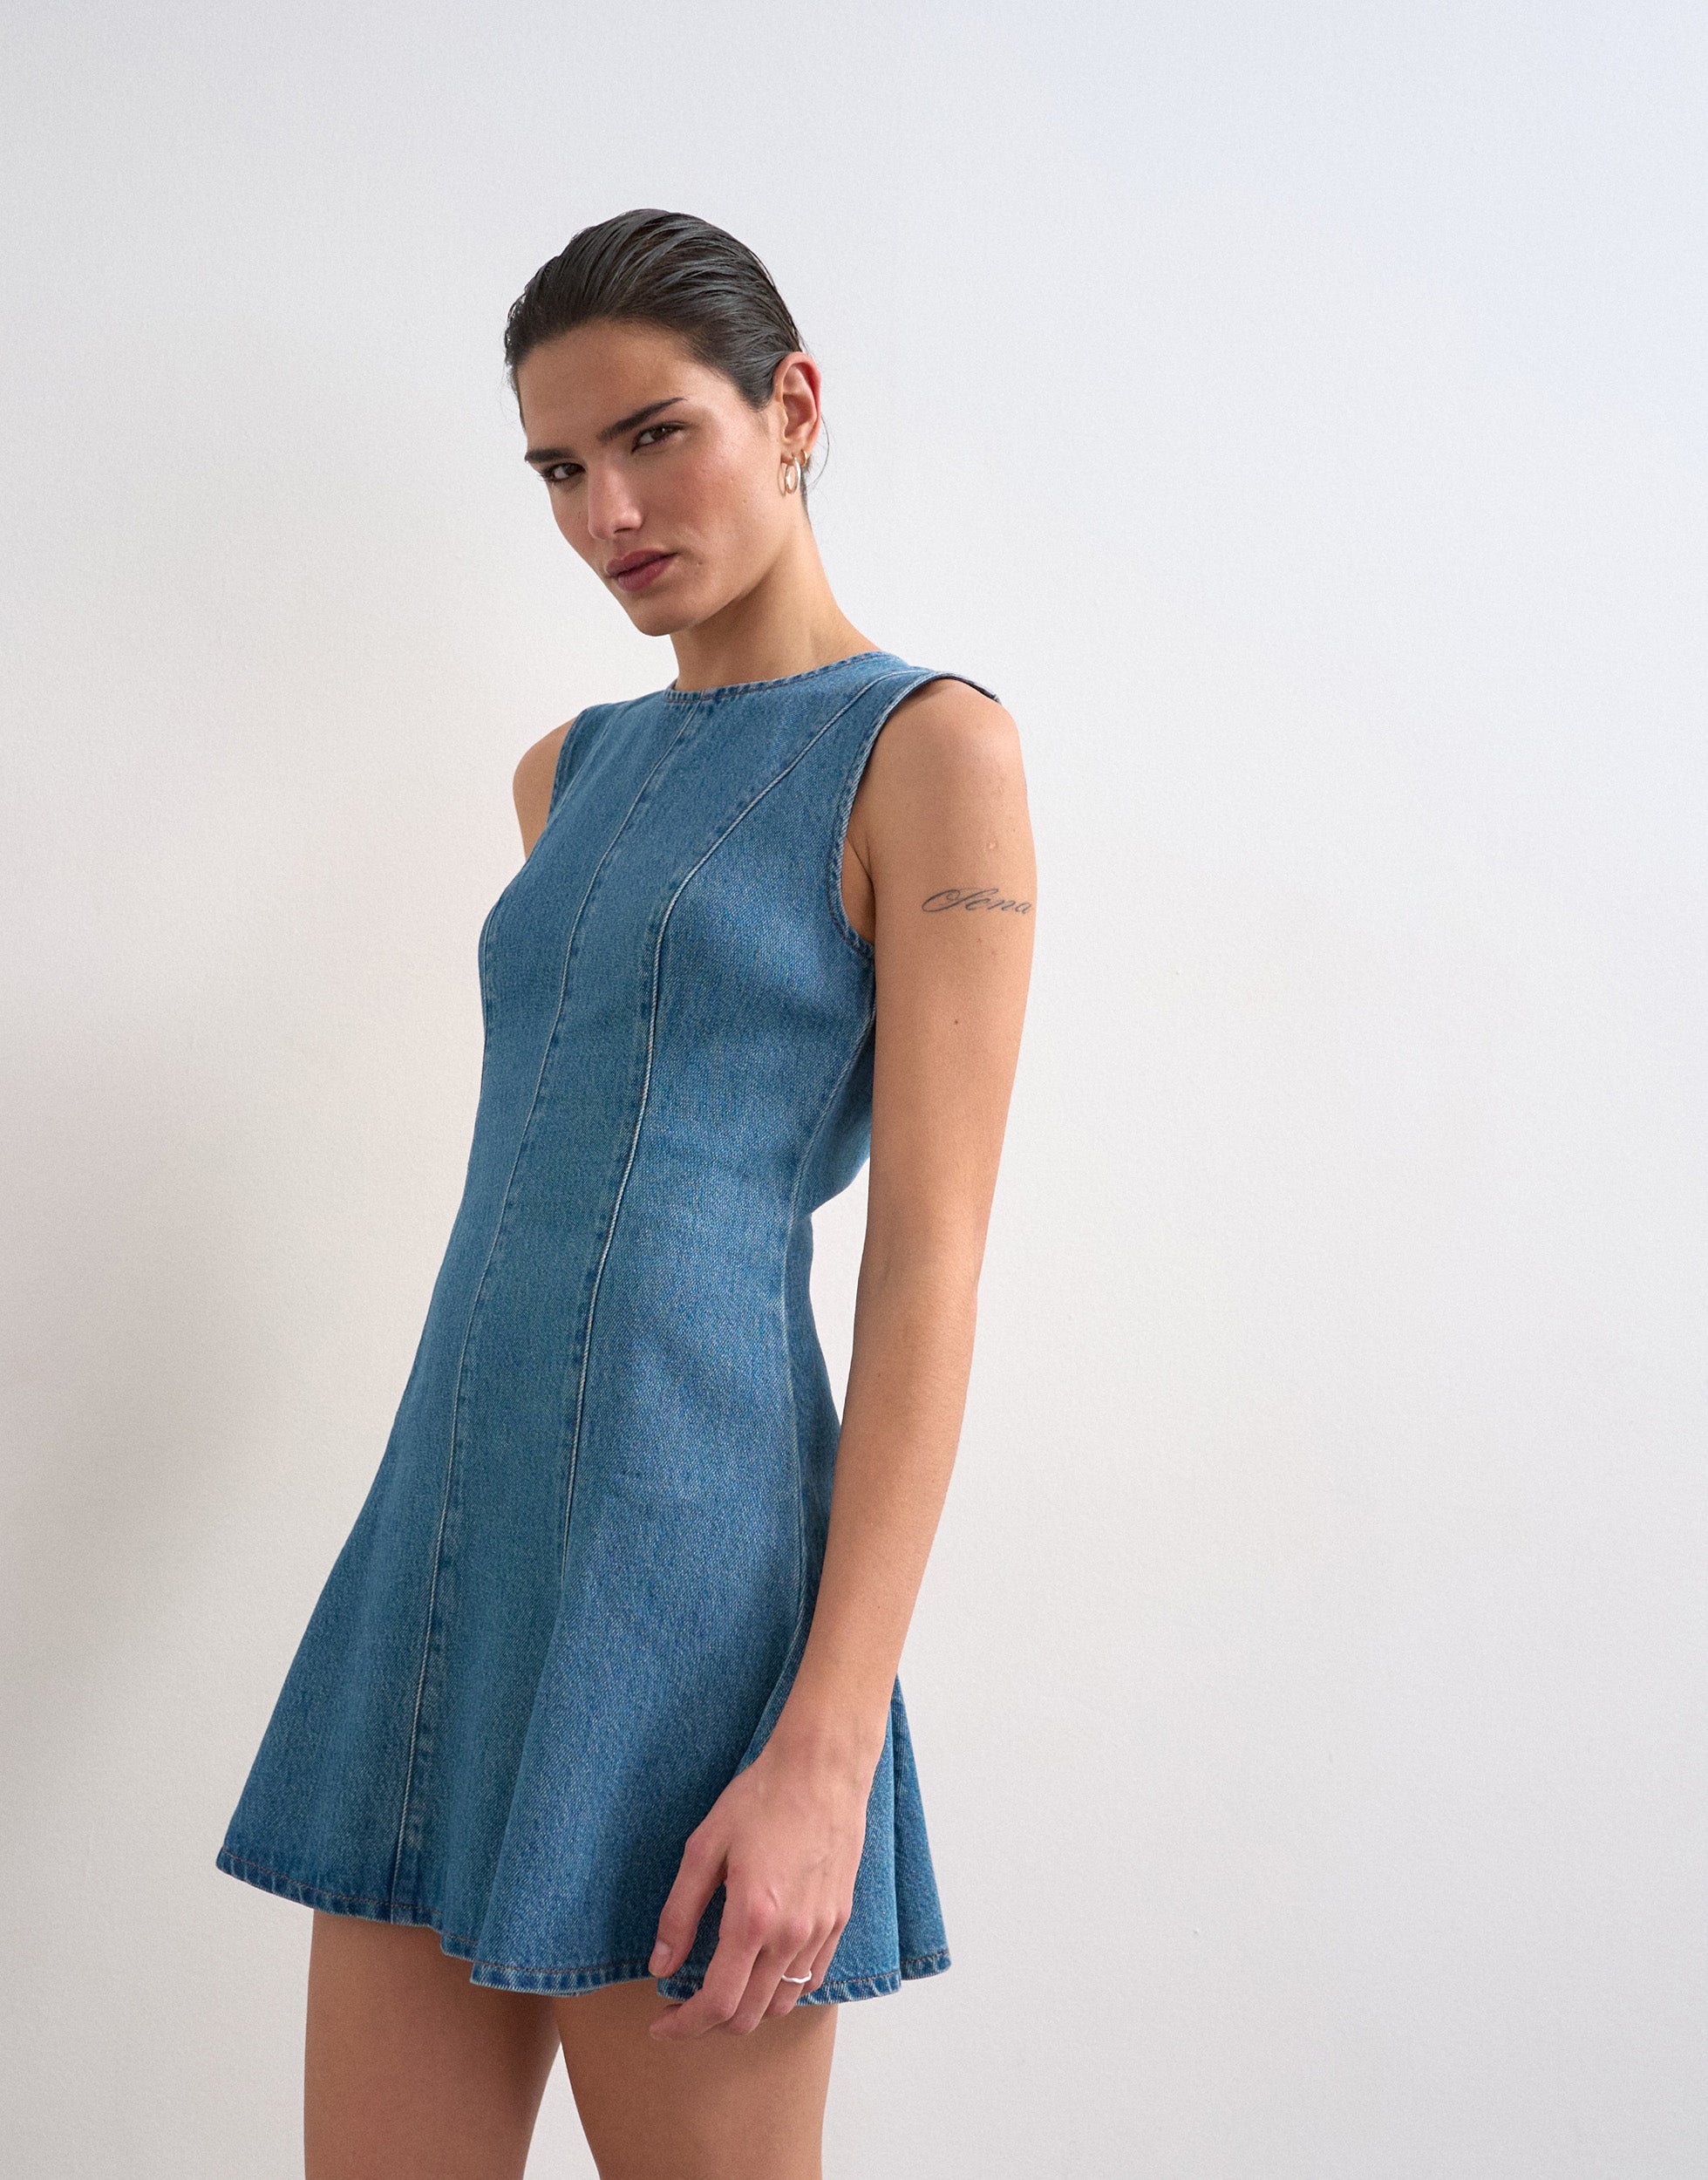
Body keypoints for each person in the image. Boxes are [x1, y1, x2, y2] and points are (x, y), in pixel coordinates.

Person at [215, 207, 1036, 2179]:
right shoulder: (563, 774)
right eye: (560, 468)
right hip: (443, 1548)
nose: (609, 512)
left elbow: (927, 1264)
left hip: (691, 1592)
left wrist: (824, 1745)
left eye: (655, 435)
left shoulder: (929, 749)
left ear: (792, 406)